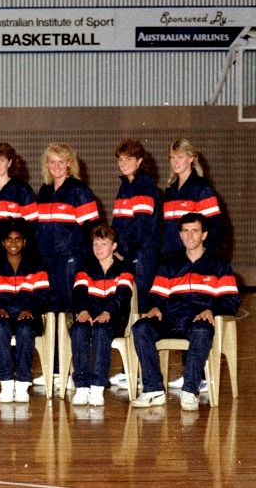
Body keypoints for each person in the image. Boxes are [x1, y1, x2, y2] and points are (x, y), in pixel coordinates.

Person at [131, 213, 240, 411]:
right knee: (140, 327)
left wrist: (211, 309)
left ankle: (190, 391)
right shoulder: (169, 265)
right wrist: (154, 307)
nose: (190, 236)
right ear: (180, 235)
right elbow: (157, 295)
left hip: (199, 319)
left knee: (201, 331)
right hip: (171, 318)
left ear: (204, 235)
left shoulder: (219, 266)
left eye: (195, 231)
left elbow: (231, 300)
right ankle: (153, 390)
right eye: (186, 231)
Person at [35, 143, 99, 384]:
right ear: (47, 165)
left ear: (70, 163)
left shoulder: (80, 190)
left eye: (61, 161)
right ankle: (54, 368)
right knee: (51, 311)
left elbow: (92, 229)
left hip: (72, 258)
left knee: (72, 310)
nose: (57, 166)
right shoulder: (44, 190)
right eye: (52, 162)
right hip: (47, 258)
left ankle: (74, 368)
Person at [0, 220, 49, 403]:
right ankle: (7, 383)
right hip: (2, 316)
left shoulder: (37, 264)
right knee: (0, 329)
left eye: (18, 239)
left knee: (25, 330)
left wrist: (31, 309)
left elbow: (43, 295)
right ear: (2, 242)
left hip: (28, 316)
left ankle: (23, 383)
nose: (13, 243)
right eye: (9, 239)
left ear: (24, 242)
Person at [69, 225, 133, 407]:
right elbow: (79, 292)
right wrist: (83, 310)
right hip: (89, 315)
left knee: (101, 330)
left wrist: (108, 312)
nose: (98, 248)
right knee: (78, 329)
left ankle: (97, 386)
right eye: (95, 244)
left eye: (103, 244)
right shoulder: (85, 267)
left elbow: (123, 295)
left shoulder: (124, 268)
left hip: (114, 318)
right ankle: (81, 386)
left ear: (113, 246)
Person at [111, 139, 160, 313]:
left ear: (139, 160)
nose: (123, 164)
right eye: (121, 159)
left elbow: (141, 227)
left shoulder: (144, 185)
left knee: (143, 303)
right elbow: (117, 223)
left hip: (141, 253)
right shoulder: (125, 185)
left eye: (129, 159)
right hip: (129, 252)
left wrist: (122, 251)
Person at [0, 142, 38, 268]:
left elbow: (33, 227)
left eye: (2, 160)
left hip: (15, 254)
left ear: (9, 163)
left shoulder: (23, 190)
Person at [162, 138, 222, 258]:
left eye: (180, 157)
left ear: (191, 158)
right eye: (172, 158)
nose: (175, 162)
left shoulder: (202, 188)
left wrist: (207, 258)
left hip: (193, 259)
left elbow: (215, 227)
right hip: (170, 258)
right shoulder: (170, 190)